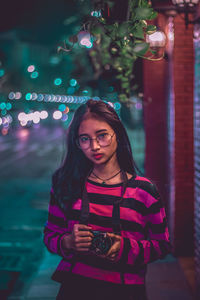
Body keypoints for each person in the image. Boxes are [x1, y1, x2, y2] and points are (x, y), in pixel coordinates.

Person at [43, 99, 171, 300]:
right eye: (84, 139)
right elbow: (51, 234)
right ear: (77, 143)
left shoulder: (144, 191)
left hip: (126, 290)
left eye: (102, 136)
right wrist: (68, 242)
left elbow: (162, 245)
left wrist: (124, 247)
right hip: (75, 287)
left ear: (117, 134)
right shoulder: (65, 184)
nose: (94, 146)